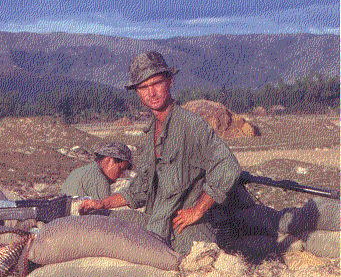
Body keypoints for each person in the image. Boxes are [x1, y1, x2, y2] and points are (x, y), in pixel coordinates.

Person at [78, 51, 317, 258]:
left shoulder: (190, 125)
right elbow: (139, 190)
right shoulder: (149, 133)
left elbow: (227, 166)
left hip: (189, 226)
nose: (151, 93)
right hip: (159, 222)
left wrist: (199, 209)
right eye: (143, 87)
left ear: (170, 82)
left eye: (156, 83)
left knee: (198, 261)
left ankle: (272, 246)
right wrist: (102, 203)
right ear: (137, 92)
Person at [60, 142, 133, 200]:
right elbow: (103, 216)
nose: (122, 175)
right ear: (109, 160)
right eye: (121, 169)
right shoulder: (99, 180)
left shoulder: (84, 171)